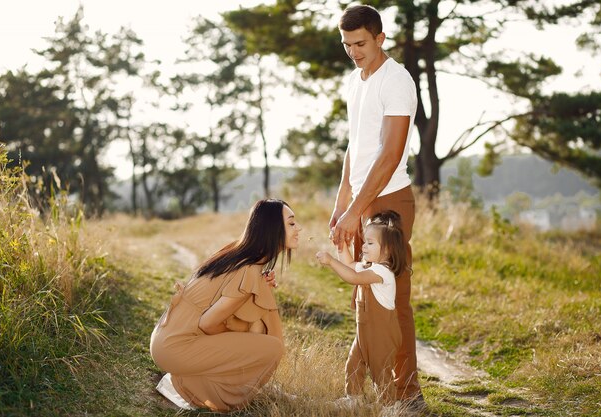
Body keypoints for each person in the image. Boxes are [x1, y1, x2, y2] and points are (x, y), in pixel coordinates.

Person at [329, 4, 424, 406]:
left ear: (380, 38)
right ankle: (359, 393)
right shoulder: (355, 81)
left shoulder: (396, 81)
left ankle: (406, 396)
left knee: (391, 301)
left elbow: (389, 154)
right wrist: (342, 204)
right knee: (364, 300)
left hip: (389, 200)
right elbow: (357, 146)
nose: (353, 51)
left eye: (361, 43)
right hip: (362, 199)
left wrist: (357, 210)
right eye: (347, 44)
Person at [150, 199, 302, 412]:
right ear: (272, 229)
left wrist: (260, 288)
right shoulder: (248, 268)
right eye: (292, 223)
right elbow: (208, 323)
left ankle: (203, 380)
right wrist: (239, 335)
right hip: (176, 347)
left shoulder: (239, 255)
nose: (299, 228)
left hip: (167, 338)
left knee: (258, 331)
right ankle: (185, 386)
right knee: (271, 348)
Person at [316, 211, 407, 405]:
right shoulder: (369, 266)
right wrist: (340, 246)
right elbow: (349, 264)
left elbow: (354, 278)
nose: (364, 246)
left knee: (380, 370)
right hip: (364, 333)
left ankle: (390, 405)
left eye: (370, 243)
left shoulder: (382, 272)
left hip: (382, 334)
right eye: (364, 241)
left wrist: (331, 262)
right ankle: (354, 398)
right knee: (354, 364)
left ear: (388, 250)